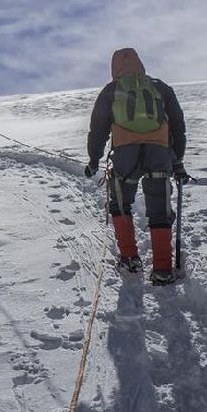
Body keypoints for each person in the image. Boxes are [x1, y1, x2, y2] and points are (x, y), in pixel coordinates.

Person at [84, 47, 188, 285]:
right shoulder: (160, 88)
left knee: (120, 204)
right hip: (159, 152)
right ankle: (162, 269)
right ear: (140, 64)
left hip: (125, 154)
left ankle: (130, 258)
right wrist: (177, 160)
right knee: (159, 207)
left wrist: (93, 160)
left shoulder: (112, 91)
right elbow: (177, 127)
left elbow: (98, 130)